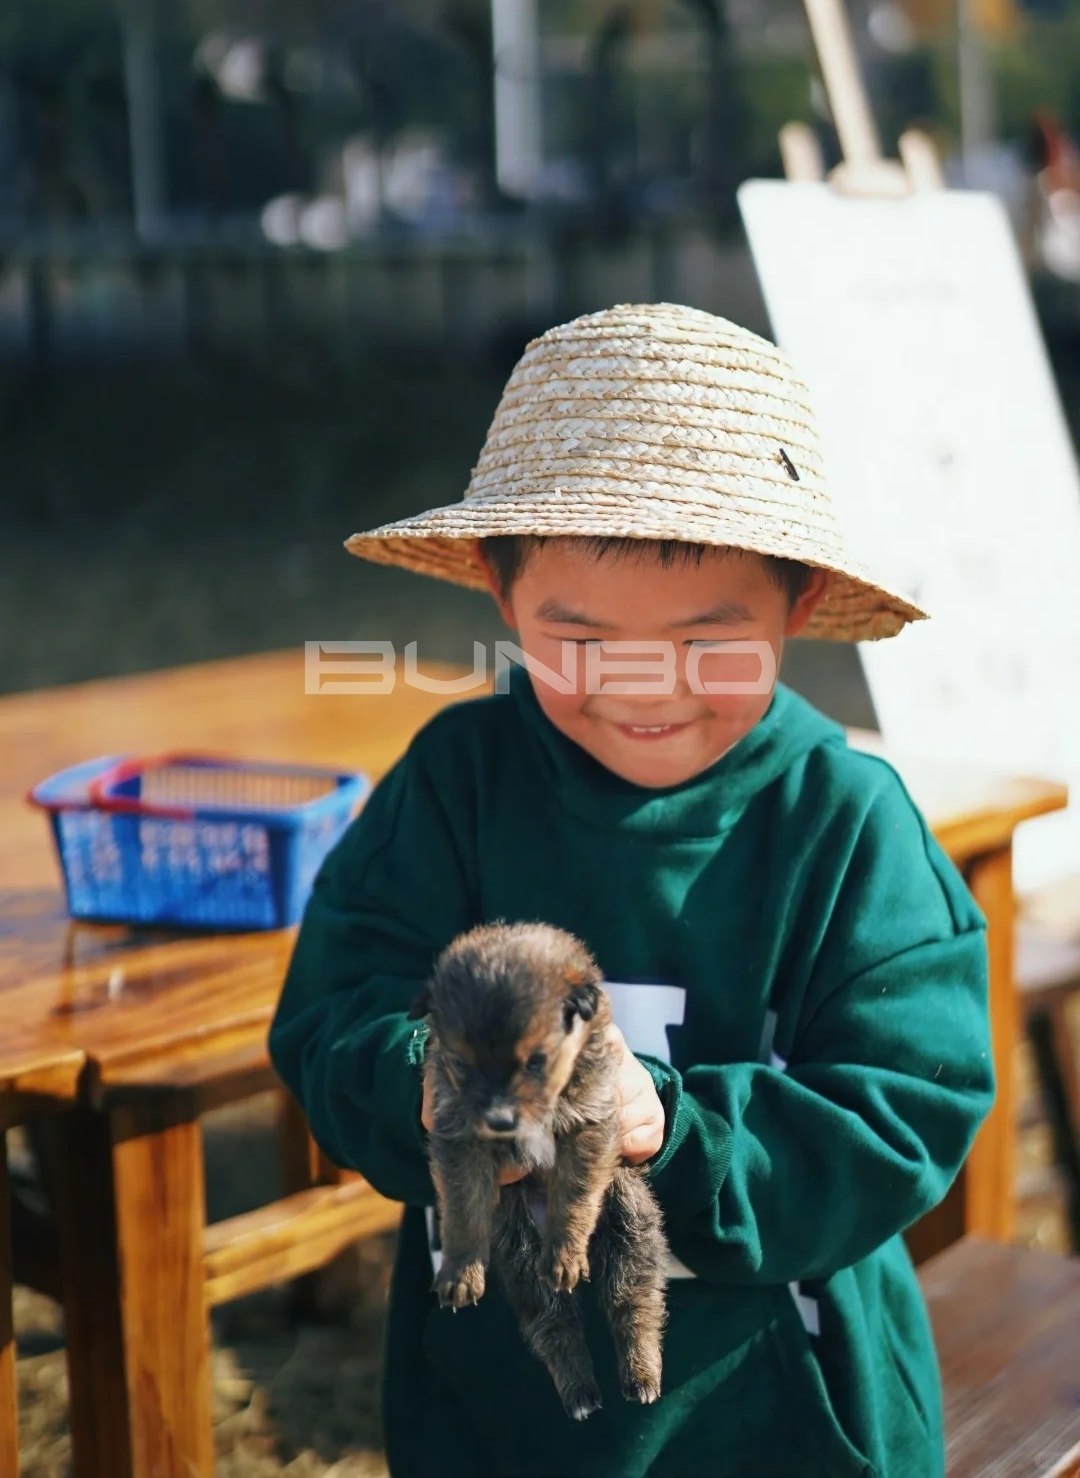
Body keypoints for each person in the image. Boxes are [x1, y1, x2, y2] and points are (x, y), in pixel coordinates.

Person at [269, 303, 994, 1478]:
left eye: (711, 642)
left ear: (799, 605)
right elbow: (332, 1009)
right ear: (501, 600)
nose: (643, 686)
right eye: (581, 641)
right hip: (493, 1416)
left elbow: (905, 1105)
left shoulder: (846, 826)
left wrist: (672, 1131)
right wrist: (428, 1083)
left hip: (777, 1416)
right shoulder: (456, 788)